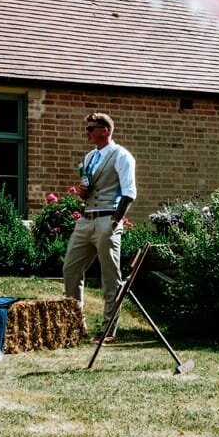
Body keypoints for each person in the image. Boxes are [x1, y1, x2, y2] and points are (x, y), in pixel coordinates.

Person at [62, 112, 137, 341]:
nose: (87, 132)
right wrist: (82, 191)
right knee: (70, 270)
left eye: (91, 128)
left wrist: (115, 222)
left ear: (105, 130)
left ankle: (108, 330)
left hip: (107, 219)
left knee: (110, 276)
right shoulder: (89, 157)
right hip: (86, 219)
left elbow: (129, 193)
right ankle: (76, 327)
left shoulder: (121, 156)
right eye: (87, 128)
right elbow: (87, 187)